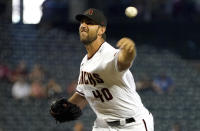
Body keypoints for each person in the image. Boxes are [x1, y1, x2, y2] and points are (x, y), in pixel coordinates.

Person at [67, 8, 154, 131]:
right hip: (103, 125)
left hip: (132, 125)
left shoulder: (108, 54)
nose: (84, 25)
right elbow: (82, 94)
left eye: (90, 23)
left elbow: (122, 61)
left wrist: (129, 52)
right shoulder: (85, 62)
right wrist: (67, 106)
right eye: (82, 22)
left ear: (101, 30)